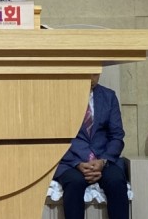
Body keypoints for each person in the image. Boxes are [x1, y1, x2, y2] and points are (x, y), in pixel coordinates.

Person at [53, 73, 129, 219]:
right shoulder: (62, 97)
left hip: (103, 159)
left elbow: (117, 136)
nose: (91, 78)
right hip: (71, 161)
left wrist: (103, 161)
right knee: (75, 182)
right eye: (87, 73)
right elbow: (56, 137)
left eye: (95, 74)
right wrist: (77, 163)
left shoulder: (109, 96)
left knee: (116, 181)